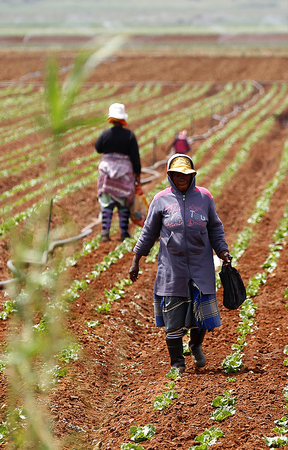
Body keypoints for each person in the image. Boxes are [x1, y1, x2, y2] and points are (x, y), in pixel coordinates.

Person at [129, 154, 232, 373]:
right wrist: (136, 259)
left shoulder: (204, 198)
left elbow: (215, 227)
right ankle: (177, 362)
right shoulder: (160, 200)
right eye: (176, 175)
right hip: (172, 267)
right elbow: (148, 232)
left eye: (185, 174)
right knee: (173, 316)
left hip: (200, 265)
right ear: (170, 176)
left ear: (192, 175)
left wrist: (223, 251)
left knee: (200, 315)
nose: (181, 178)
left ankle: (195, 344)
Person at [94, 103, 141, 241]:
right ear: (122, 120)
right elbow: (135, 156)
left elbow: (98, 148)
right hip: (124, 173)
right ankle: (124, 233)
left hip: (107, 172)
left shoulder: (105, 134)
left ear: (111, 119)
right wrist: (137, 173)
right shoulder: (129, 135)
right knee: (123, 202)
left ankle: (105, 233)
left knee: (106, 203)